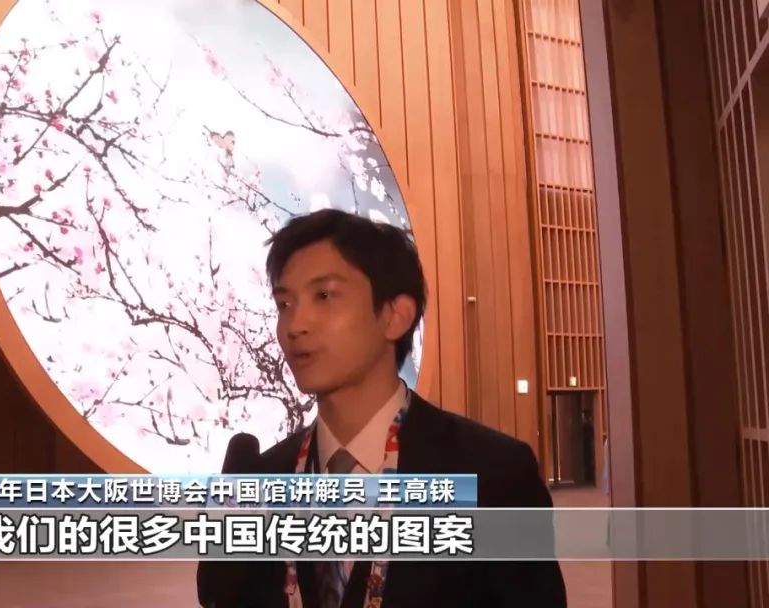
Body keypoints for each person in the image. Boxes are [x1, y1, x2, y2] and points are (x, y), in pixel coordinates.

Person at [196, 209, 566, 607]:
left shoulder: (494, 477)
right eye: (285, 303)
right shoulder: (261, 484)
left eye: (324, 296)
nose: (294, 325)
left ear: (395, 316)